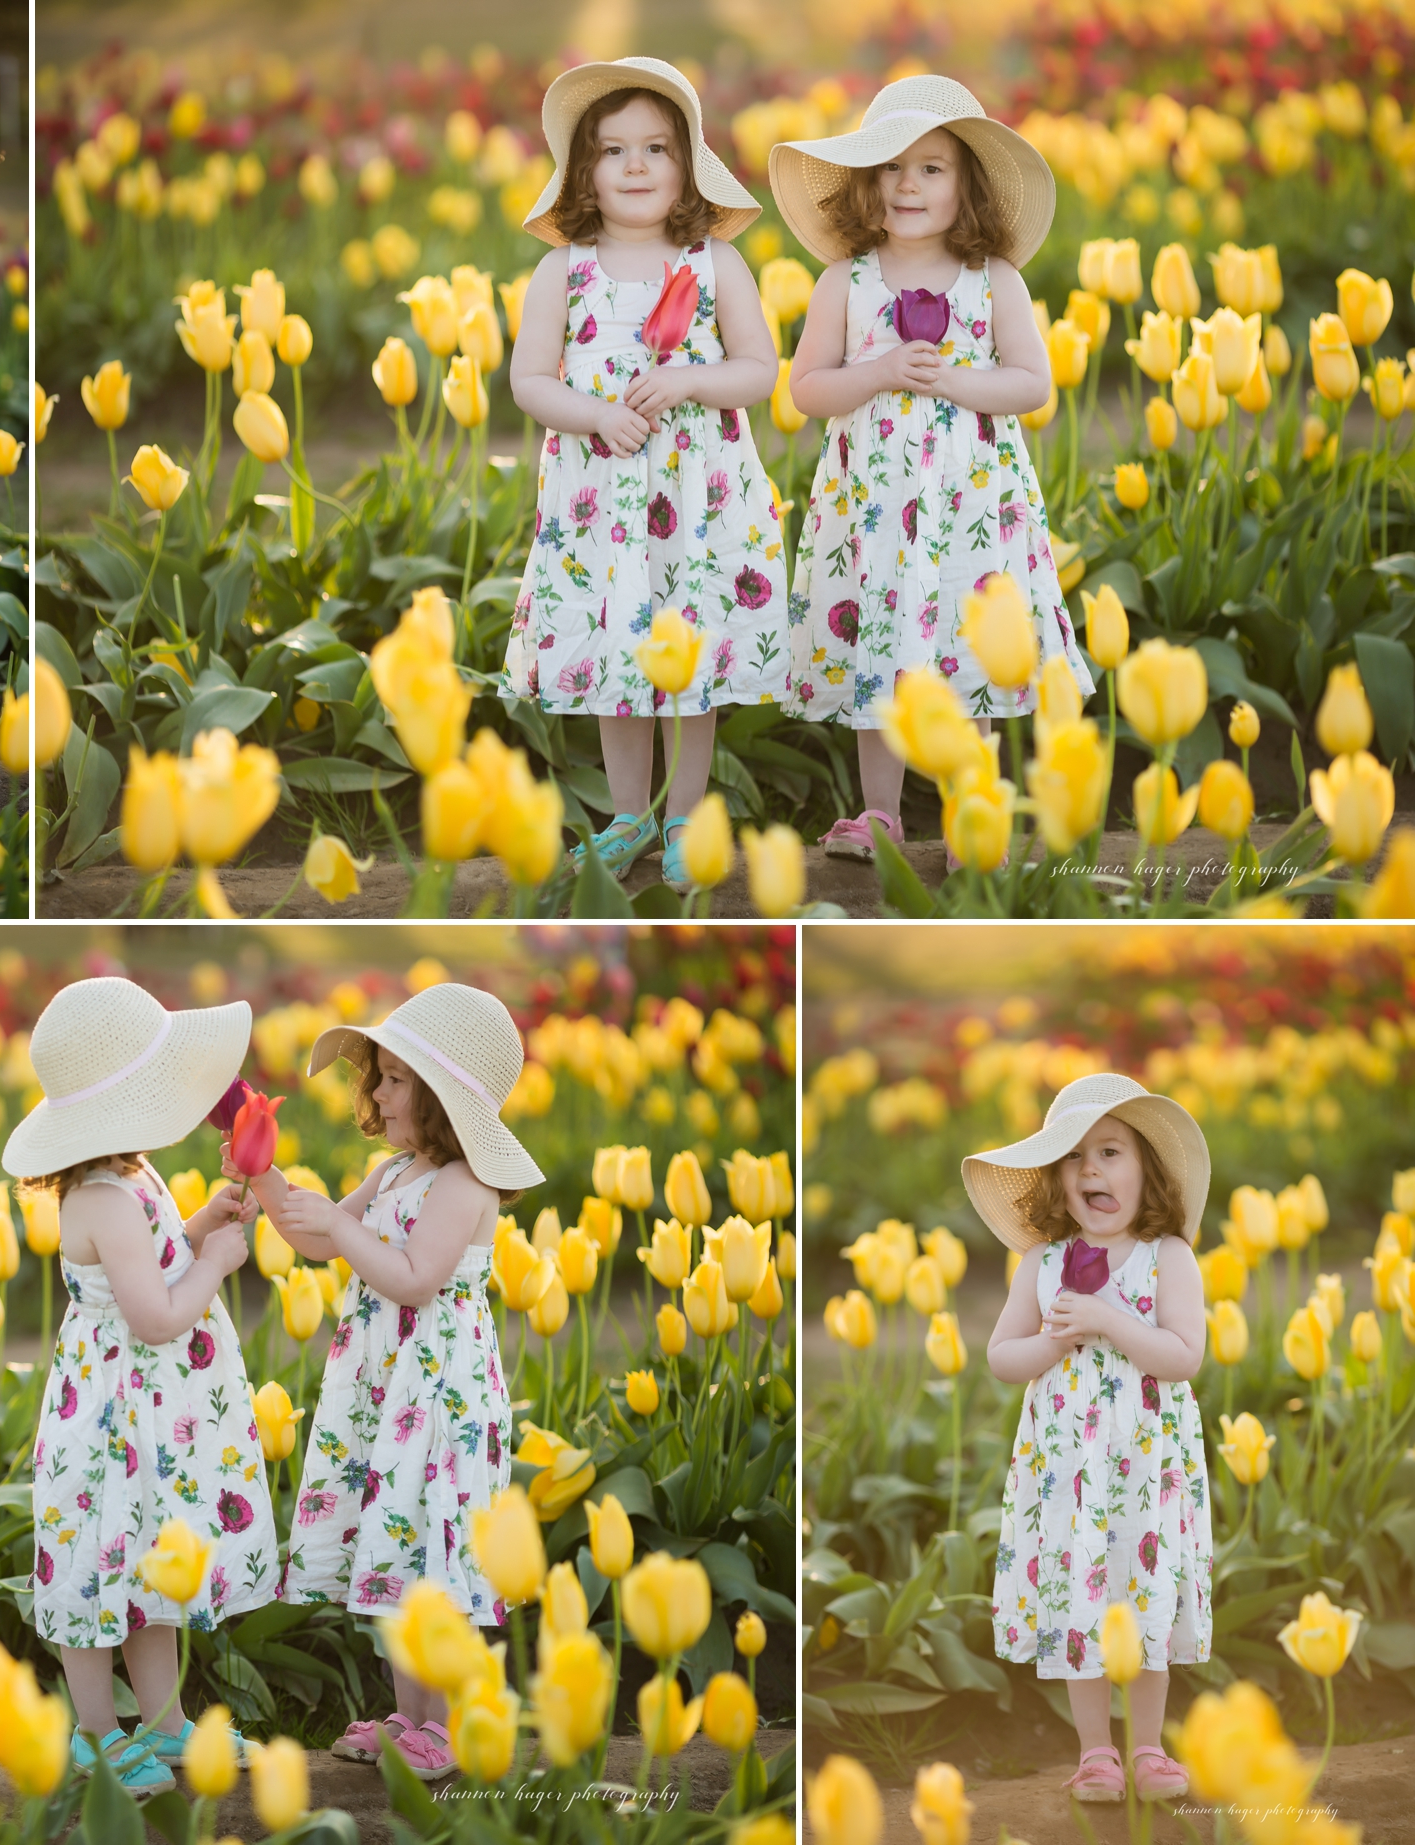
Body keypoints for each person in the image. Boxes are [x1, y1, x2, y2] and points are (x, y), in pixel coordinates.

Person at [224, 983, 542, 1780]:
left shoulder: (465, 1183)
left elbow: (413, 1276)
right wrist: (264, 1175)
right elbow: (320, 1239)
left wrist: (341, 1223)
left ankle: (455, 1722)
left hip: (439, 1398)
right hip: (384, 1391)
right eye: (379, 1075)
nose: (377, 1091)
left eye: (396, 1078)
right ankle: (411, 1716)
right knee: (395, 1544)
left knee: (437, 1551)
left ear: (441, 1098)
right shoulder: (395, 1170)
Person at [771, 77, 1094, 860]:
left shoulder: (994, 280)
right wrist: (881, 371)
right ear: (867, 182)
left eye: (931, 168)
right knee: (878, 642)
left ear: (966, 186)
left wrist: (950, 380)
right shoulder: (846, 282)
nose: (908, 184)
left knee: (970, 642)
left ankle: (969, 805)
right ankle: (879, 812)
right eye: (891, 167)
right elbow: (807, 388)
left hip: (971, 502)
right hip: (873, 506)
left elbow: (1032, 383)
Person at [504, 56, 789, 893]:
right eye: (614, 150)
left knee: (685, 653)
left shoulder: (713, 265)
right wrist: (595, 414)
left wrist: (691, 378)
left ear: (688, 165)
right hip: (603, 499)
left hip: (695, 497)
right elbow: (530, 380)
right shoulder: (565, 270)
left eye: (656, 148)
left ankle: (684, 817)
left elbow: (758, 370)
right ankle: (628, 813)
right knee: (616, 651)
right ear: (583, 172)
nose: (635, 166)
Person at [6, 977, 274, 1796]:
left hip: (148, 1416)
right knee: (94, 1568)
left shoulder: (131, 1177)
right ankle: (94, 1731)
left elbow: (151, 1260)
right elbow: (156, 1316)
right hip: (113, 1420)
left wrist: (195, 1228)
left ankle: (162, 1720)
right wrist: (217, 1263)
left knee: (150, 1568)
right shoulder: (101, 1198)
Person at [970, 1073, 1212, 1803]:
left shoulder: (1167, 1256)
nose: (1090, 1169)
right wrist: (1054, 1339)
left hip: (1146, 1472)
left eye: (1109, 1152)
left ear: (1146, 1170)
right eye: (1073, 1156)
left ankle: (1148, 1747)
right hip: (1071, 1475)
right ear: (1057, 1180)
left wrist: (1108, 1318)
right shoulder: (1043, 1265)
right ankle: (1096, 1752)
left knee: (1145, 1598)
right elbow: (1000, 1356)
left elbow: (1183, 1355)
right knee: (1083, 1597)